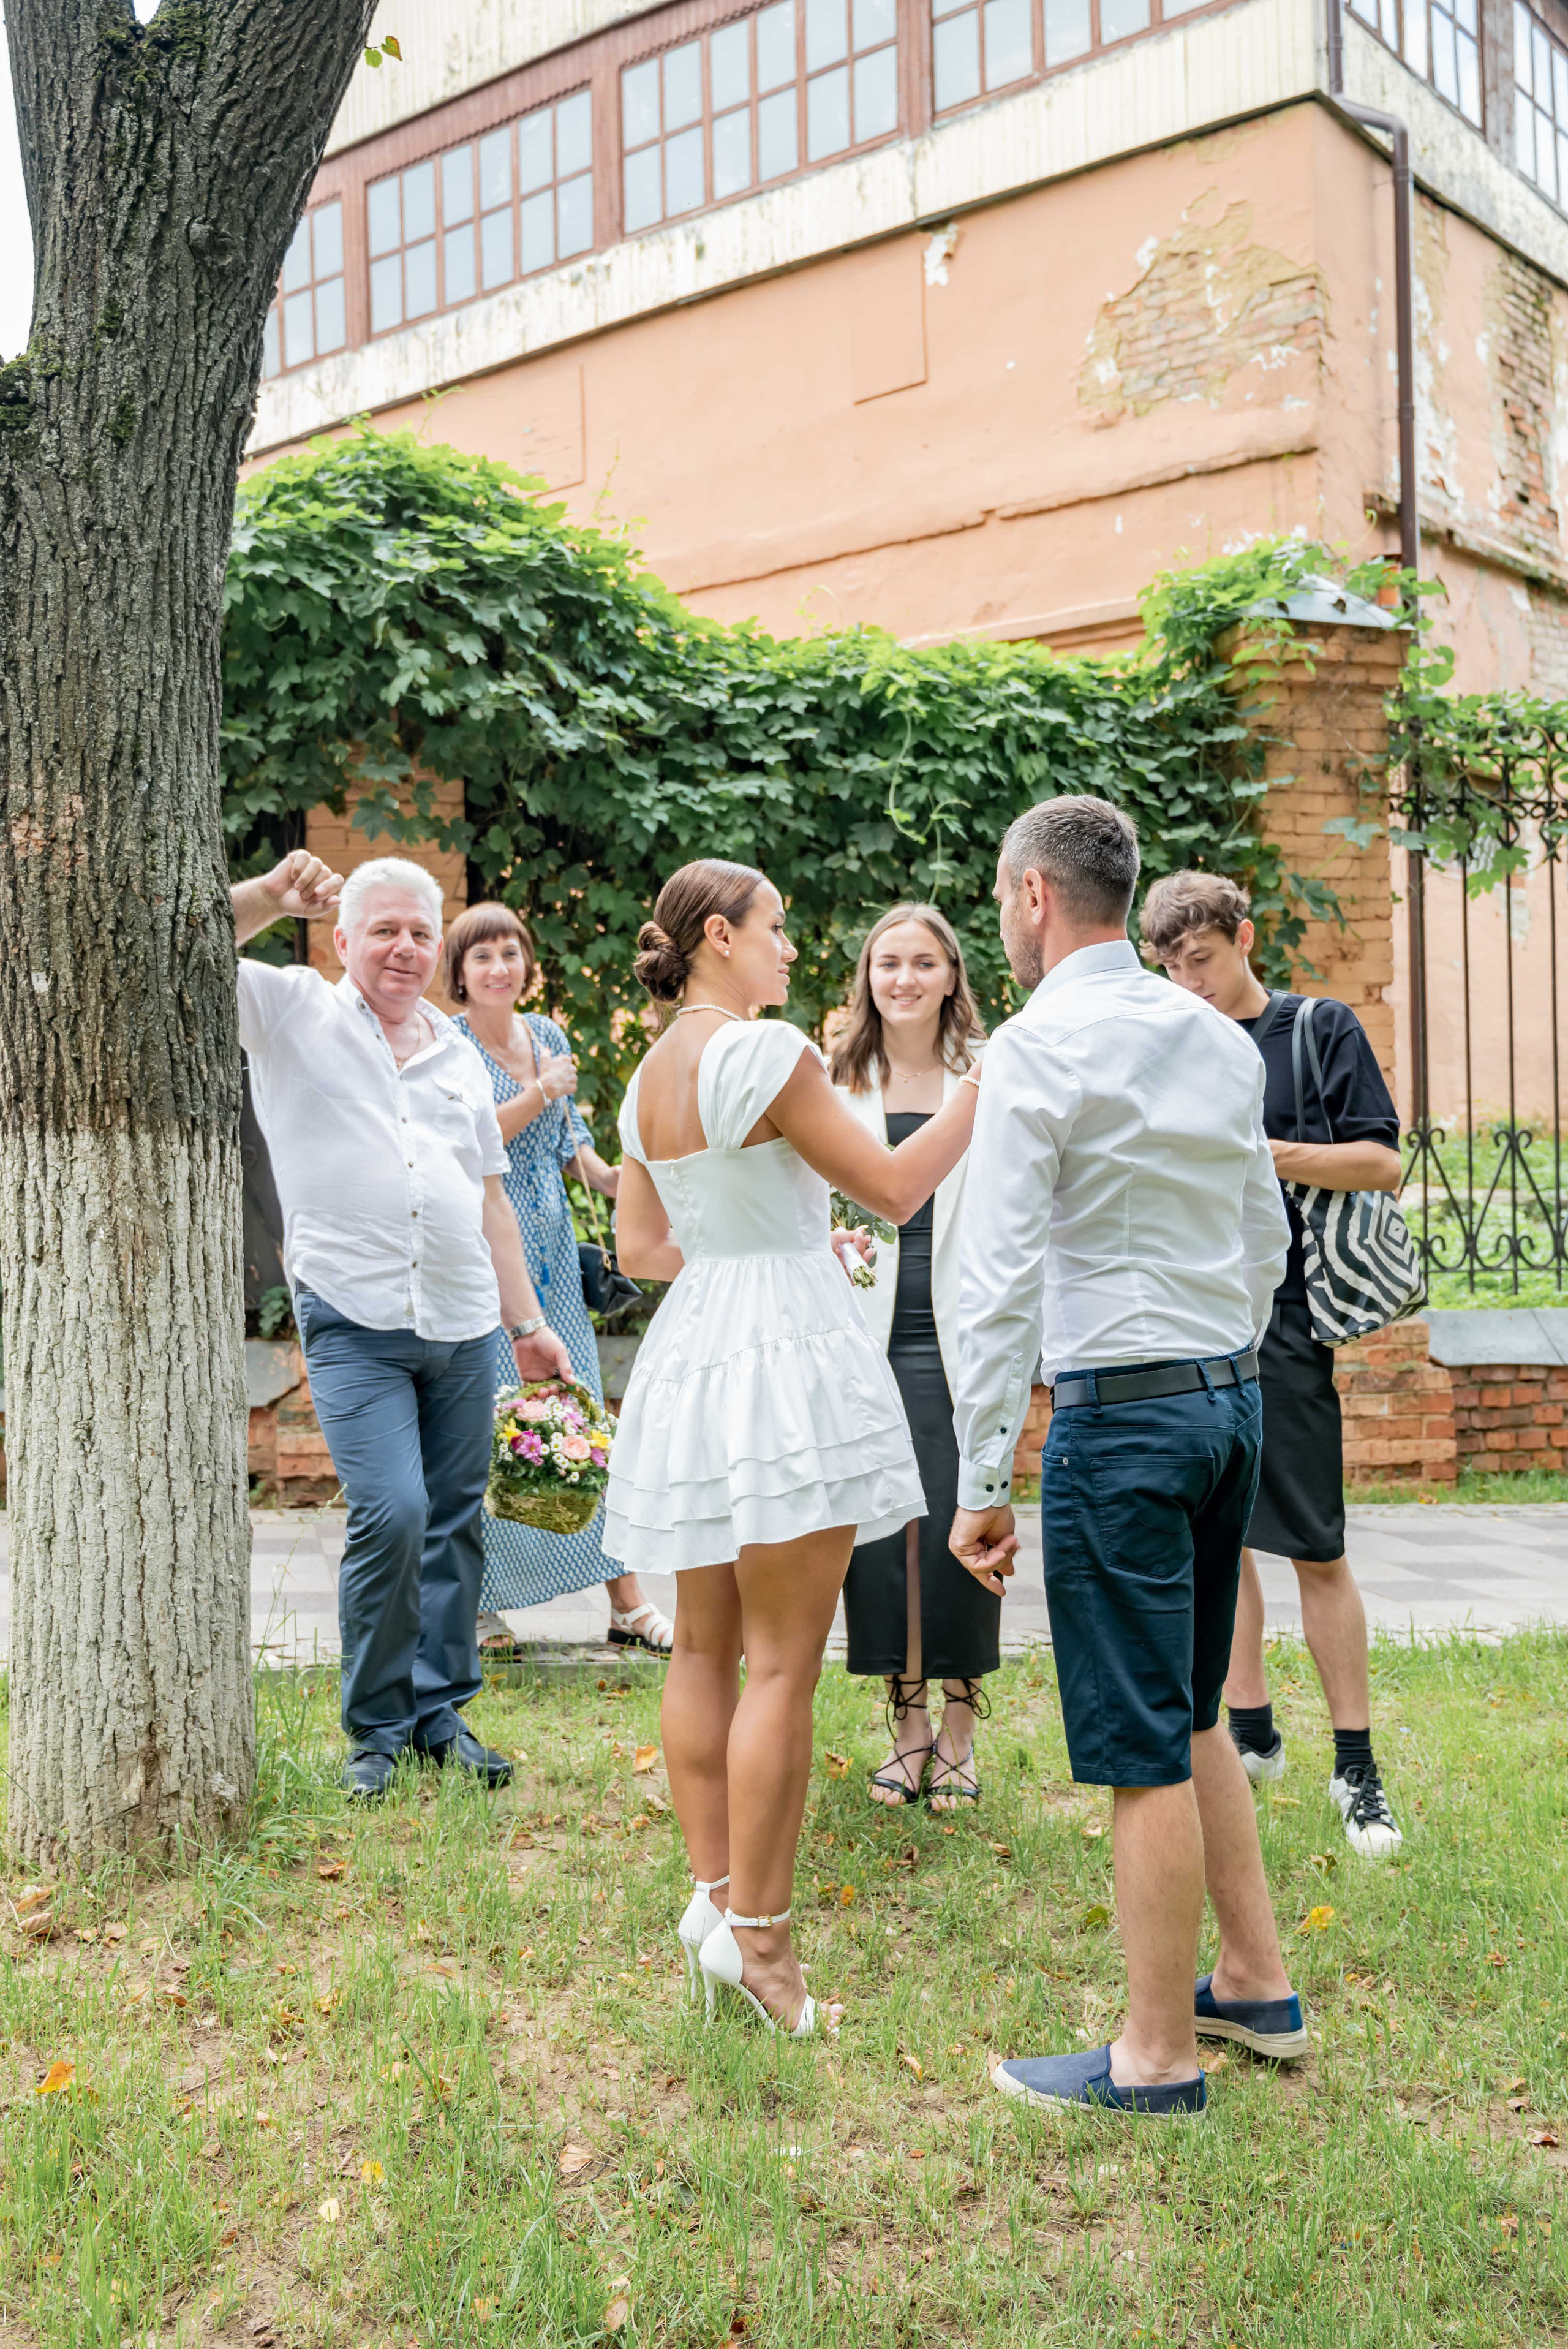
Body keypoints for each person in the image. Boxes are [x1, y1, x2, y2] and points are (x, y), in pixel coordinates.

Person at [949, 796, 1306, 2117]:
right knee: (1196, 1698)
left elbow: (990, 1282)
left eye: (1001, 902)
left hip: (1128, 1414)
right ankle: (1255, 1984)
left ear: (1034, 896)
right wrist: (1224, 1360)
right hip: (1226, 1399)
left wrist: (979, 1484)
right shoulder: (1211, 1038)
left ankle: (1153, 2056)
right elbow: (1264, 1233)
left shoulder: (1036, 1049)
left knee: (1140, 1742)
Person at [609, 860, 979, 2036]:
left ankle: (713, 1897)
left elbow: (641, 1247)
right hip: (781, 1358)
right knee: (782, 1663)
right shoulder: (766, 1054)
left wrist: (750, 1244)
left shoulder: (645, 1077)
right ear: (719, 935)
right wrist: (990, 1081)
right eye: (774, 929)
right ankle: (763, 1943)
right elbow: (898, 1186)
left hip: (697, 1347)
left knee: (703, 1650)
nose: (787, 950)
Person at [232, 851, 573, 1803]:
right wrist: (268, 896)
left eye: (421, 932)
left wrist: (529, 1325)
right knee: (396, 1511)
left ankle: (439, 1713)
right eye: (383, 929)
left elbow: (491, 1201)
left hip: (464, 1319)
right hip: (353, 1316)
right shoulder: (296, 1008)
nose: (404, 948)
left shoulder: (458, 1055)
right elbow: (181, 946)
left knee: (457, 1522)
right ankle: (374, 1729)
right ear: (342, 940)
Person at [1140, 871, 1405, 1860]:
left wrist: (1269, 1154)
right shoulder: (1172, 1044)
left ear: (1242, 938)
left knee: (1315, 1546)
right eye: (1169, 965)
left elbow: (1383, 1159)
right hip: (1194, 1315)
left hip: (1287, 1320)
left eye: (1200, 959)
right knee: (1226, 1539)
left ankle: (1358, 1767)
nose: (1188, 981)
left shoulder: (1315, 1027)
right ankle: (1249, 1731)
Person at [440, 902, 674, 1659]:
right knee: (489, 1428)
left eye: (511, 952)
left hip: (553, 1254)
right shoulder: (449, 1043)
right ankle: (481, 1607)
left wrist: (630, 1180)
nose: (499, 967)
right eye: (482, 957)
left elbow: (576, 1148)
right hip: (486, 1252)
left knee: (580, 1422)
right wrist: (540, 1092)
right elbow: (466, 1145)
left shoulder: (547, 1035)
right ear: (461, 973)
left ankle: (627, 1603)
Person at [830, 904, 997, 1811]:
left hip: (963, 1332)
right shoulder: (834, 1076)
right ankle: (907, 1723)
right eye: (888, 962)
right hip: (866, 1335)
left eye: (922, 962)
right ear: (869, 975)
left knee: (962, 1525)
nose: (904, 978)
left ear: (950, 974)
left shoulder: (989, 1074)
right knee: (882, 1536)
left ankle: (963, 1719)